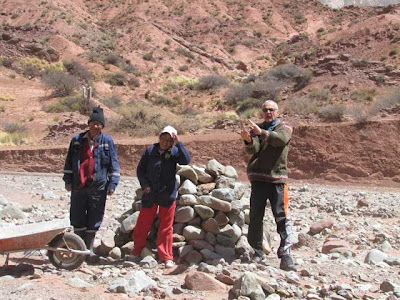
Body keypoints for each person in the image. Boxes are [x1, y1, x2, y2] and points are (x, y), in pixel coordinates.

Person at [240, 100, 296, 271]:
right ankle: (257, 252)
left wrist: (261, 132)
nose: (268, 112)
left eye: (271, 110)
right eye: (265, 110)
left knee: (281, 216)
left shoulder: (284, 127)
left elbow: (280, 140)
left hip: (277, 179)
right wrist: (248, 141)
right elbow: (253, 150)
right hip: (258, 178)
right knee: (256, 216)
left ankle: (285, 254)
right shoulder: (256, 129)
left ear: (277, 112)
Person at [63, 106, 120, 263]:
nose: (95, 126)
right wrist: (67, 180)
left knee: (94, 218)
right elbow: (69, 161)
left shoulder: (107, 142)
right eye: (93, 122)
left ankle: (89, 251)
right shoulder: (76, 140)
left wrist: (112, 184)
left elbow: (113, 164)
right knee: (77, 216)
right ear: (88, 124)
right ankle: (78, 251)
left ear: (102, 126)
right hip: (78, 185)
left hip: (98, 187)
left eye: (99, 124)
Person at [131, 126, 190, 268]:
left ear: (172, 141)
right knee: (142, 223)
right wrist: (145, 185)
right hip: (150, 193)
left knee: (166, 227)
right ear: (159, 138)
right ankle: (136, 250)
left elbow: (186, 160)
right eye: (162, 138)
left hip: (167, 194)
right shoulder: (150, 150)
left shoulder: (175, 152)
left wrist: (178, 143)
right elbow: (140, 169)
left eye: (168, 140)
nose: (164, 142)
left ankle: (166, 256)